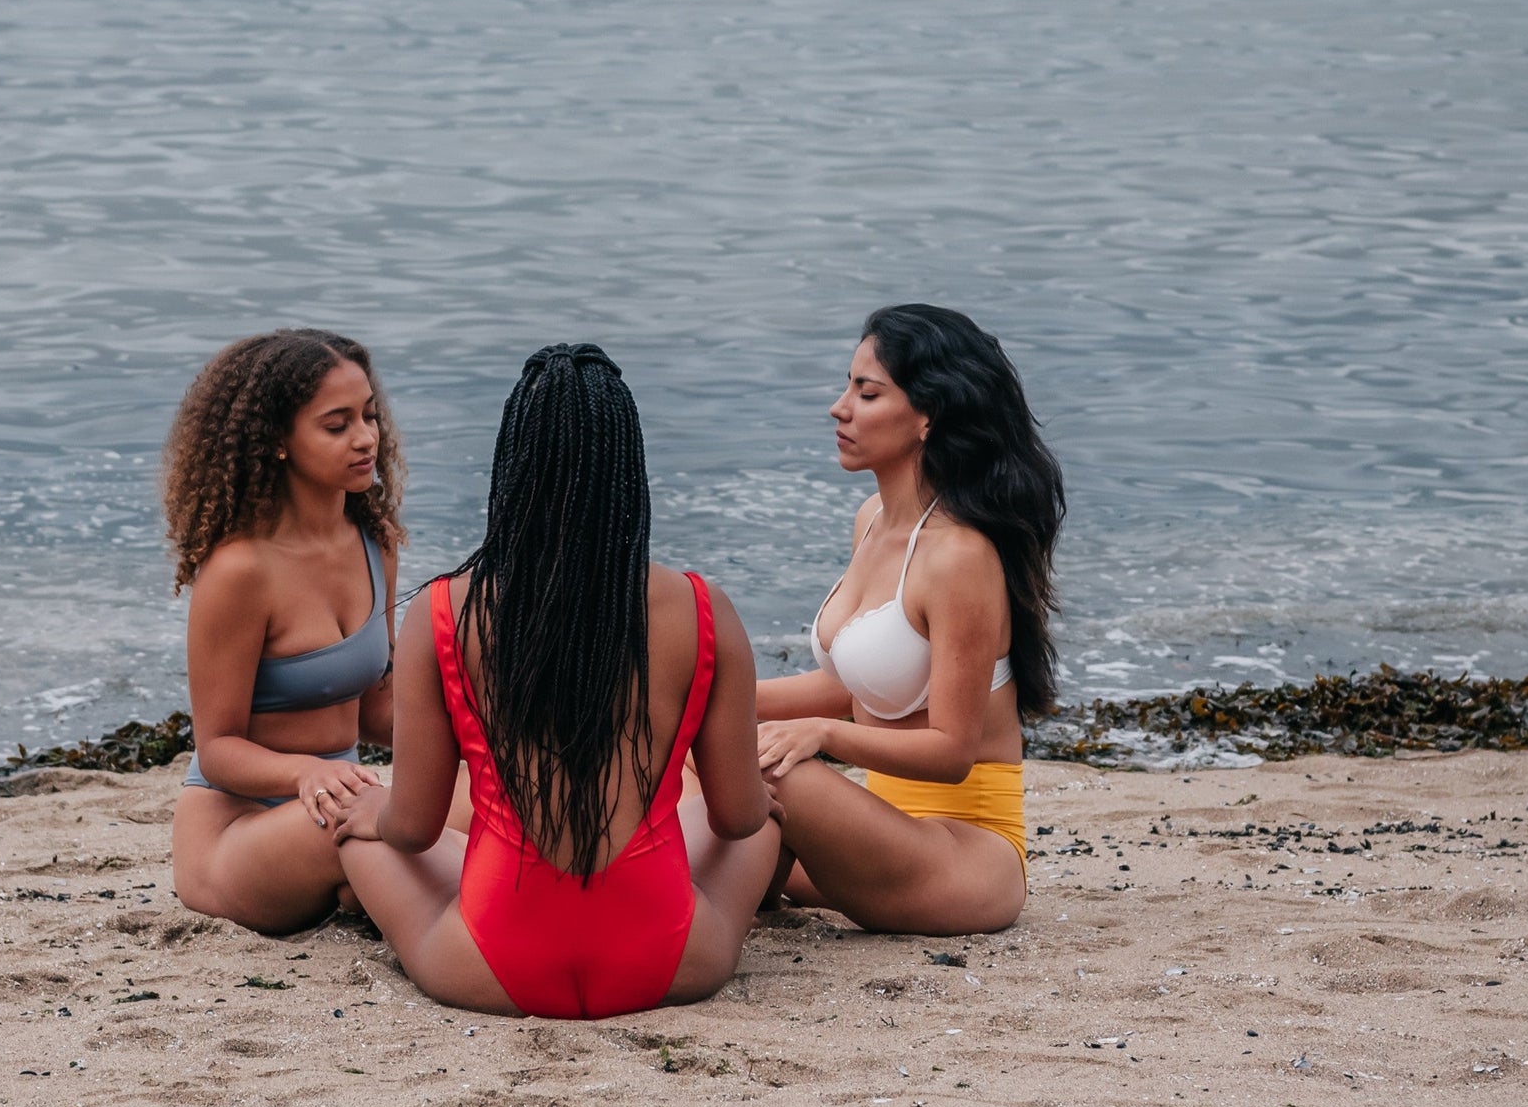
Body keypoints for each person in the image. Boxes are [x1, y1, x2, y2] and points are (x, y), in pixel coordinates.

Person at [333, 343, 780, 1020]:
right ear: (628, 469)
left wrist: (374, 813)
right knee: (767, 821)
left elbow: (416, 828)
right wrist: (764, 805)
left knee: (358, 837)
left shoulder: (447, 611)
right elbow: (737, 817)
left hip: (492, 961)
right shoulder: (701, 608)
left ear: (512, 469)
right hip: (668, 961)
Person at [755, 304, 1065, 935]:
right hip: (878, 838)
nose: (840, 408)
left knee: (768, 771)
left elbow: (952, 751)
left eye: (867, 393)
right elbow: (859, 690)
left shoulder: (960, 556)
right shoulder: (872, 519)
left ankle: (741, 878)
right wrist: (707, 695)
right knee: (681, 737)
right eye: (847, 387)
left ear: (929, 416)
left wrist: (823, 735)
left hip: (963, 858)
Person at [166, 328, 405, 935]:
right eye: (337, 425)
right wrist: (305, 772)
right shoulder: (239, 571)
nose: (365, 438)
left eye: (369, 416)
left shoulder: (374, 544)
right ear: (277, 441)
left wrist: (486, 738)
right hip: (238, 833)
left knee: (493, 791)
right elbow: (217, 750)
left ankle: (363, 885)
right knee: (396, 823)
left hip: (337, 809)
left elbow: (379, 712)